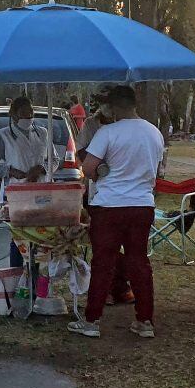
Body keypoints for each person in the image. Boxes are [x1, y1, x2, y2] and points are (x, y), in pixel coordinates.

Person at [68, 85, 164, 339]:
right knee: (140, 263)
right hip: (142, 205)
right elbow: (157, 169)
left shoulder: (108, 132)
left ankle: (92, 321)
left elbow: (88, 169)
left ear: (114, 106)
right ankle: (145, 321)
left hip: (109, 206)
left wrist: (105, 169)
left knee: (103, 263)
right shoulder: (154, 133)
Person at [77, 88, 135, 306]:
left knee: (125, 245)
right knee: (103, 245)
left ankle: (121, 285)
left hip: (127, 193)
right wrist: (97, 165)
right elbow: (81, 152)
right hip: (100, 191)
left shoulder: (130, 124)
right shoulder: (92, 125)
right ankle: (109, 289)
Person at [0, 96, 59, 266]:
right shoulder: (3, 135)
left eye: (31, 114)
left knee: (41, 234)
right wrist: (10, 171)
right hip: (17, 191)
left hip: (42, 190)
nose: (28, 118)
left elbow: (54, 160)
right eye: (24, 115)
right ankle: (17, 273)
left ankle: (37, 275)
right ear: (13, 115)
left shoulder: (42, 132)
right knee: (19, 236)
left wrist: (41, 168)